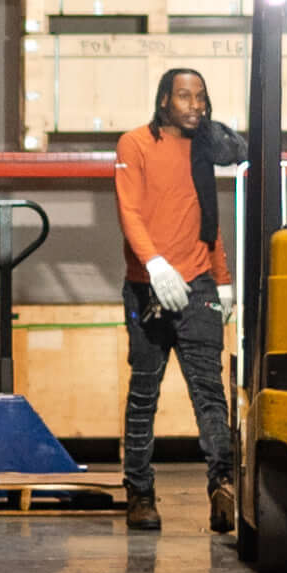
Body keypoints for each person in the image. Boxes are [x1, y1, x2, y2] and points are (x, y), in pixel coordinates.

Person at [111, 65, 243, 532]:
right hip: (148, 286)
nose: (195, 105)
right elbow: (129, 211)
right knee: (144, 392)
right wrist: (154, 263)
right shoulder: (135, 144)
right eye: (185, 97)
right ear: (165, 98)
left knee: (208, 392)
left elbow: (207, 217)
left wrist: (223, 279)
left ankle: (222, 486)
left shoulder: (202, 148)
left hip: (198, 284)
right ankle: (140, 493)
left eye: (201, 97)